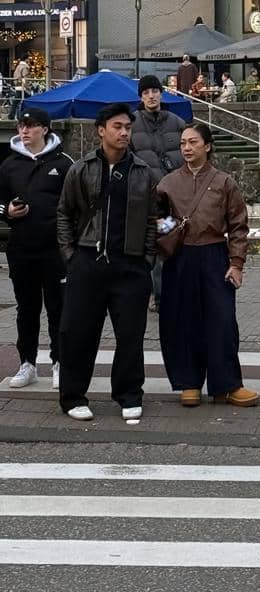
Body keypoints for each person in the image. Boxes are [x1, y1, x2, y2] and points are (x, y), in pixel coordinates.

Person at [57, 102, 157, 422]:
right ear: (101, 130)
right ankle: (73, 396)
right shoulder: (81, 169)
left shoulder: (142, 172)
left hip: (130, 265)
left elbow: (153, 221)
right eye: (117, 126)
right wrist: (71, 257)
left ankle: (128, 394)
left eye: (128, 127)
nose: (124, 132)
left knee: (130, 334)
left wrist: (146, 260)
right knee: (79, 333)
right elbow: (64, 214)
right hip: (87, 261)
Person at [157, 121, 258, 408]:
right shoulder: (167, 183)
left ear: (208, 146)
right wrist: (172, 229)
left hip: (215, 255)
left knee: (222, 321)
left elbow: (238, 226)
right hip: (180, 258)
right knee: (182, 321)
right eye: (183, 143)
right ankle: (188, 382)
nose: (186, 148)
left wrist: (236, 262)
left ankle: (227, 384)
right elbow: (156, 220)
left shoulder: (225, 182)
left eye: (193, 142)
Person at [0, 107, 72, 391]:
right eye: (20, 126)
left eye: (30, 126)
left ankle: (59, 363)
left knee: (58, 307)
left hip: (55, 250)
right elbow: (0, 201)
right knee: (26, 309)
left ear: (45, 129)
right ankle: (27, 363)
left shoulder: (64, 164)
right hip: (21, 248)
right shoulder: (8, 165)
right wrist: (8, 211)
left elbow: (76, 204)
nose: (24, 131)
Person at [130, 74, 186, 311]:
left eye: (154, 91)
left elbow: (189, 151)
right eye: (146, 92)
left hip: (174, 197)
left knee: (173, 240)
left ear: (161, 94)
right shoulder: (131, 123)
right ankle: (156, 294)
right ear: (141, 96)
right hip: (146, 197)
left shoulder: (176, 121)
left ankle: (173, 291)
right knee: (150, 246)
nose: (151, 96)